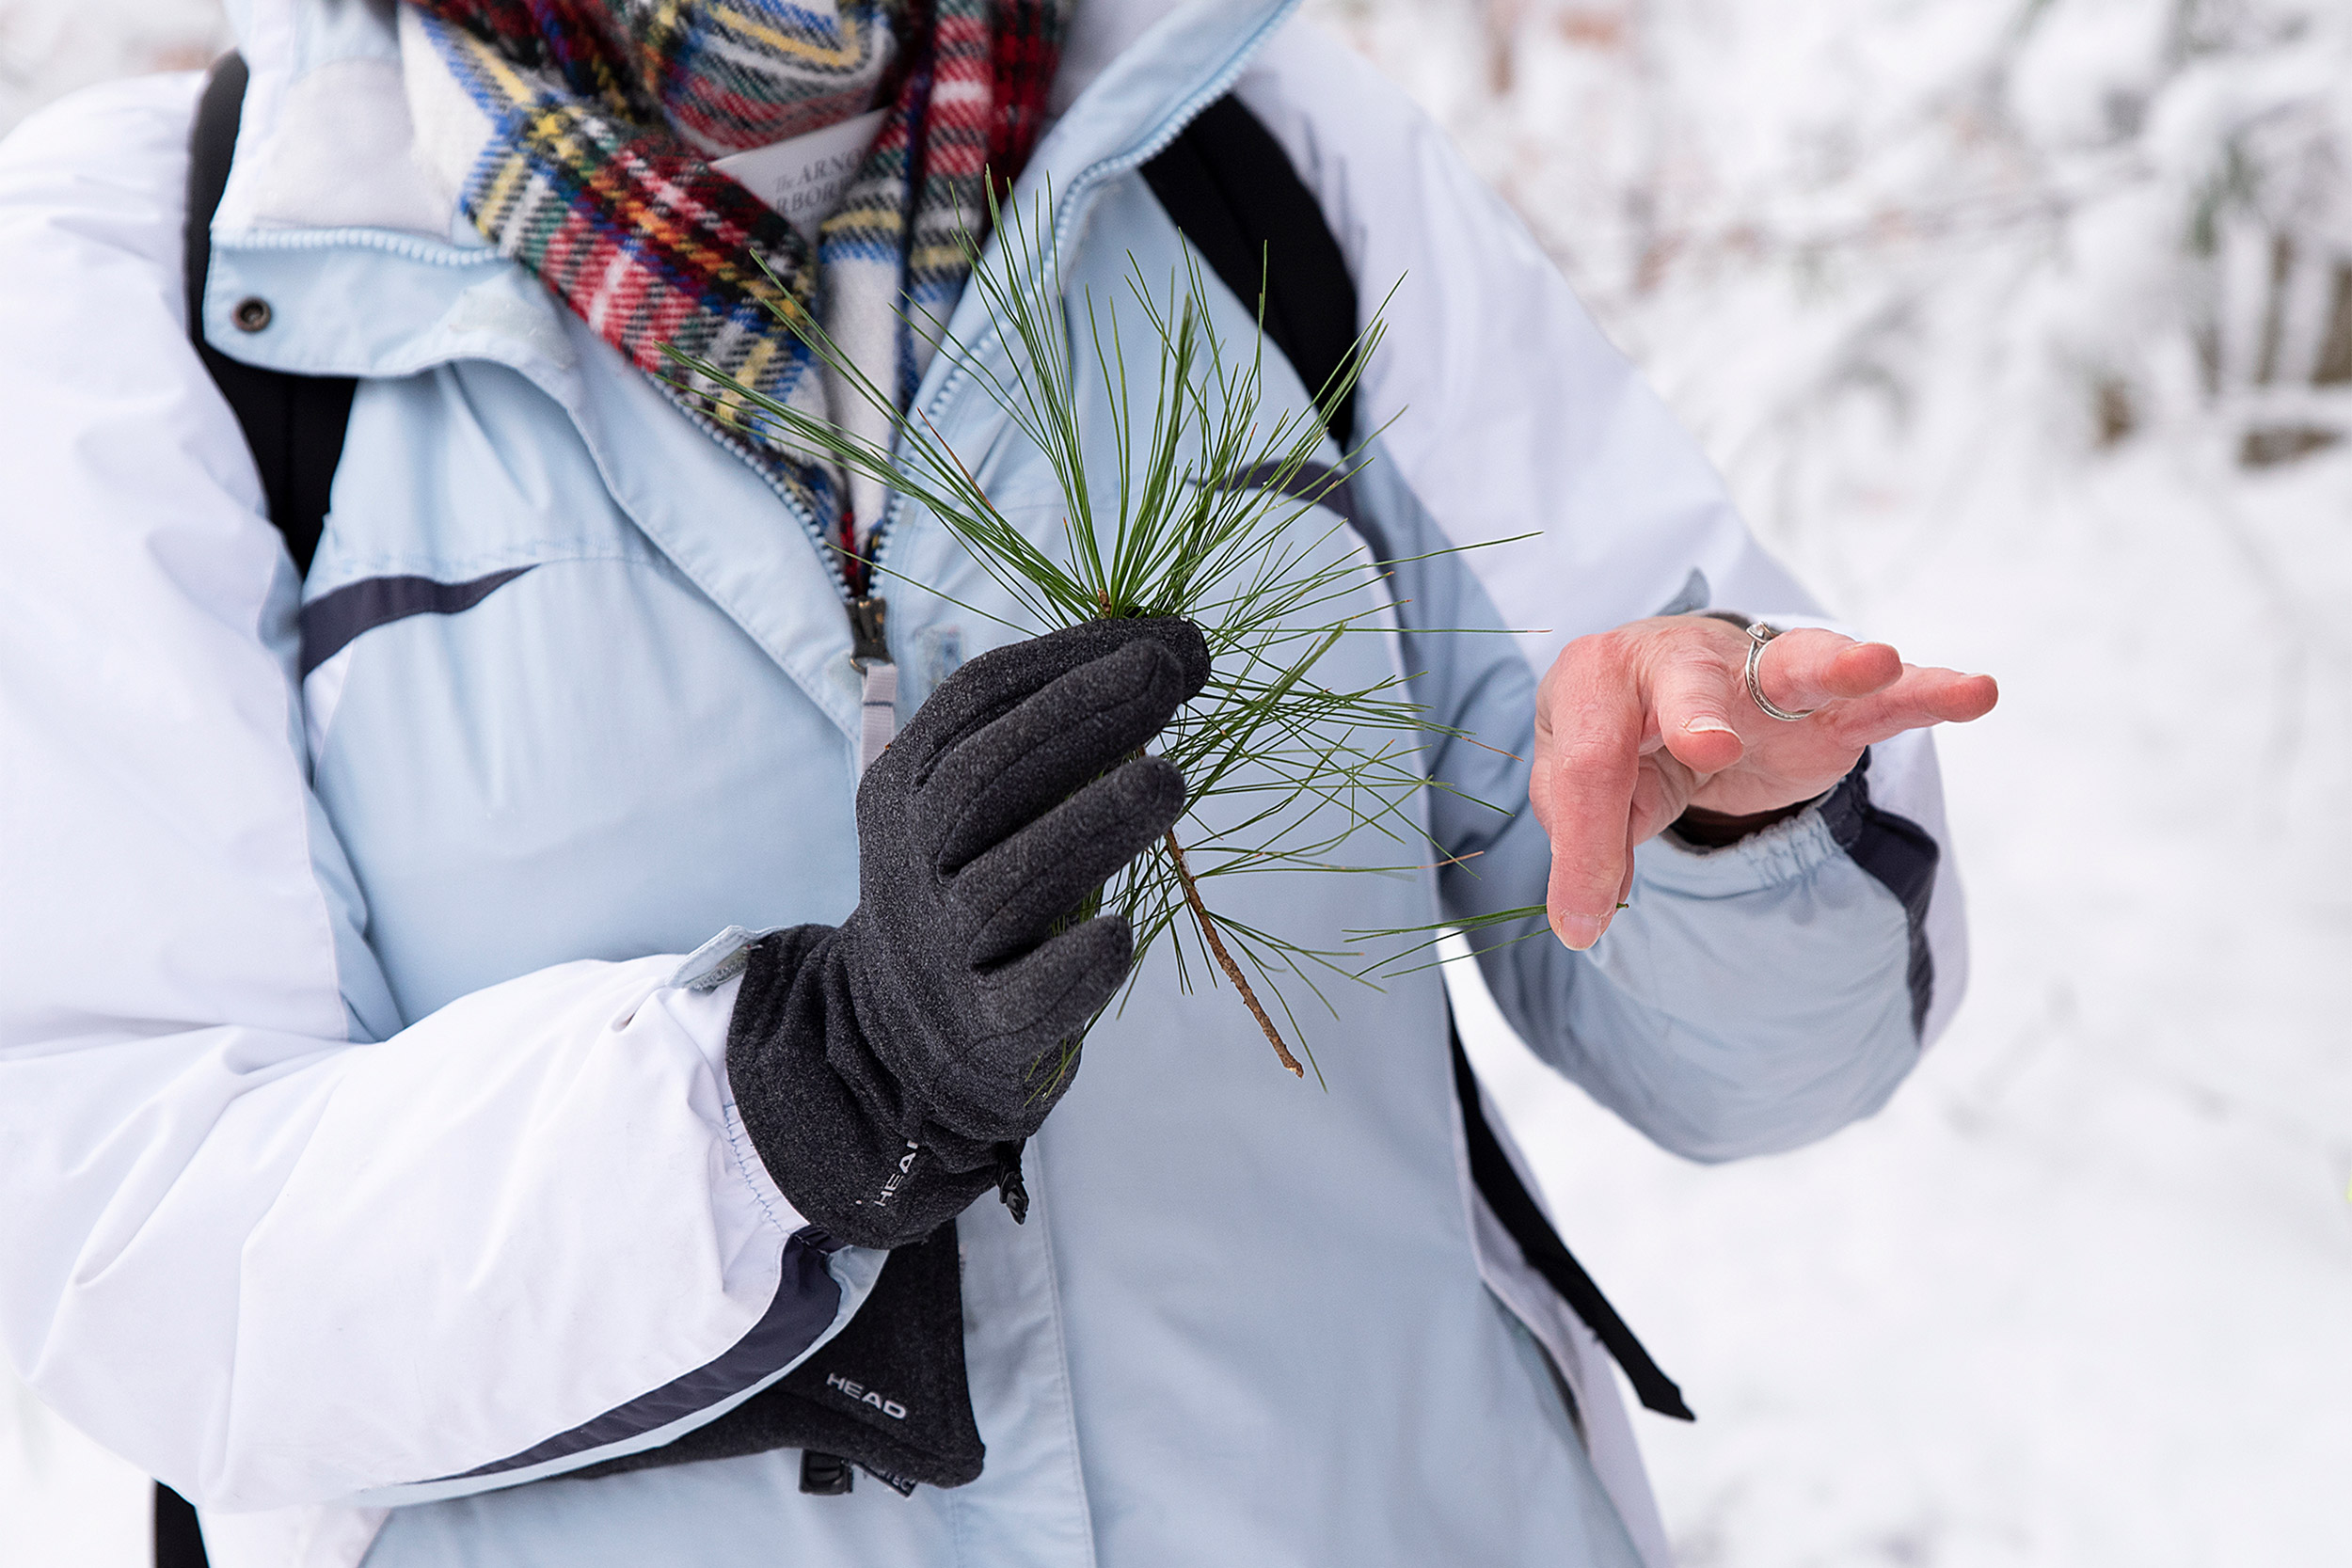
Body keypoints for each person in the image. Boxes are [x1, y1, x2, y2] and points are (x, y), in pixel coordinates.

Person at [0, 2, 1997, 1565]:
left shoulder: (1239, 131)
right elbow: (124, 1239)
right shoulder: (149, 278)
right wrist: (787, 1094)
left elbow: (1776, 1061)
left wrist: (1726, 817)